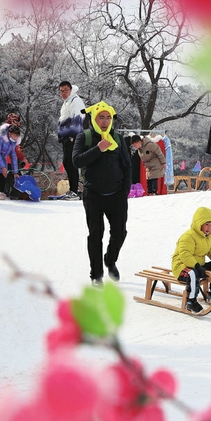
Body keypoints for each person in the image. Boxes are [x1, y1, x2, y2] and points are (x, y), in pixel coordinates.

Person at [73, 101, 131, 284]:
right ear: (94, 119)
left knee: (120, 232)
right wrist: (98, 148)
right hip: (93, 195)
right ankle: (96, 275)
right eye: (101, 117)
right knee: (96, 235)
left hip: (116, 194)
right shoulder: (85, 137)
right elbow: (76, 161)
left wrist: (125, 191)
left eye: (108, 117)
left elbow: (127, 165)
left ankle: (110, 260)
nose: (105, 121)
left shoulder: (118, 138)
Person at [171, 206, 211, 314]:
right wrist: (197, 266)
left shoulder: (207, 237)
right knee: (193, 274)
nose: (209, 227)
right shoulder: (188, 236)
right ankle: (191, 301)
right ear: (199, 224)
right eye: (206, 224)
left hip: (198, 265)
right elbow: (185, 254)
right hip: (181, 266)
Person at [57, 81, 85, 200]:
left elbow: (79, 117)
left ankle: (74, 190)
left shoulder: (75, 100)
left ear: (70, 89)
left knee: (71, 162)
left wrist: (74, 136)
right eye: (61, 91)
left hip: (72, 137)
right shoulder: (66, 102)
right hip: (66, 137)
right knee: (67, 162)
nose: (63, 93)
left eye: (65, 90)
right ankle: (74, 189)